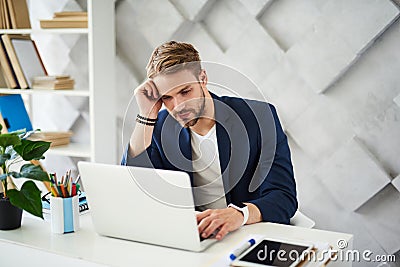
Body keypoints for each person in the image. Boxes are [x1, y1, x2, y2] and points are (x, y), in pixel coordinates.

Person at [121, 41, 297, 241]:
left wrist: (239, 214)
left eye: (185, 91)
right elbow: (134, 186)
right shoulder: (158, 127)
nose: (178, 106)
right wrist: (146, 114)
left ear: (203, 78)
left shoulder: (259, 117)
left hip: (247, 234)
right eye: (167, 97)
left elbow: (284, 196)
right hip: (192, 239)